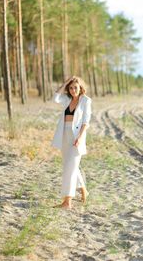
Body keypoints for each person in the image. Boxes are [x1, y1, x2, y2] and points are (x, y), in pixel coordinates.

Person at [52, 76, 92, 209]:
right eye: (71, 87)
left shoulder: (86, 101)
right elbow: (56, 98)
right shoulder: (67, 99)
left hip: (77, 136)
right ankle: (83, 189)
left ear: (80, 88)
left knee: (70, 168)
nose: (73, 90)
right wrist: (66, 81)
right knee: (70, 166)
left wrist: (80, 138)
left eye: (75, 87)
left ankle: (67, 201)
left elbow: (86, 121)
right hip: (64, 134)